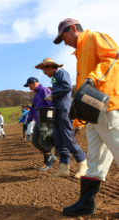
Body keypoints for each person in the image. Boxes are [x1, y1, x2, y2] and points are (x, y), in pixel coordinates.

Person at [54, 18, 119, 216]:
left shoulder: (95, 37)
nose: (64, 43)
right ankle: (86, 202)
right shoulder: (80, 53)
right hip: (93, 114)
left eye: (64, 37)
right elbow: (84, 93)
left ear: (73, 29)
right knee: (95, 159)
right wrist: (79, 119)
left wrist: (93, 76)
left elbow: (113, 57)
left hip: (107, 108)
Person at [35, 58, 87, 178]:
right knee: (59, 140)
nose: (44, 73)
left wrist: (52, 94)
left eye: (44, 70)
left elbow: (67, 86)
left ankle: (83, 164)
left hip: (63, 109)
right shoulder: (54, 77)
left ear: (49, 66)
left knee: (67, 137)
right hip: (56, 111)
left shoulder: (61, 73)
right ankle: (64, 168)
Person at [24, 77, 55, 171]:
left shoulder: (44, 90)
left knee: (44, 141)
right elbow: (33, 108)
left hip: (45, 120)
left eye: (29, 86)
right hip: (38, 121)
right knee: (35, 141)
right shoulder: (36, 94)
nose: (29, 88)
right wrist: (28, 120)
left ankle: (48, 164)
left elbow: (50, 104)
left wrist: (52, 119)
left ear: (34, 83)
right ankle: (51, 155)